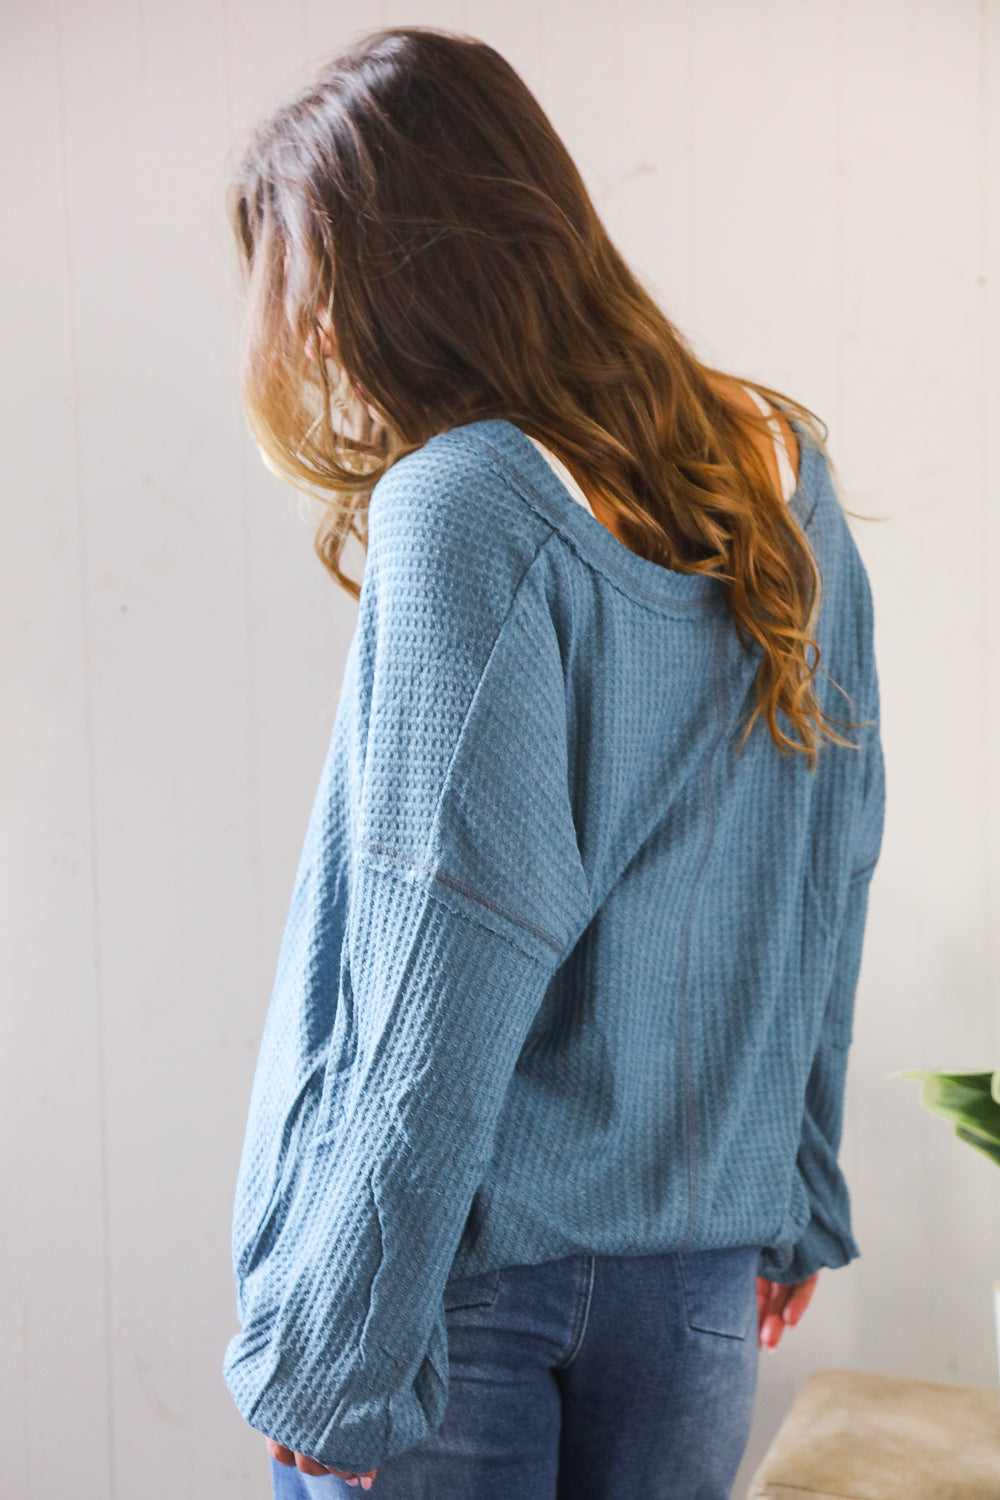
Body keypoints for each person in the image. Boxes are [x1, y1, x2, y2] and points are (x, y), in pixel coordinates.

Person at [221, 25, 885, 1500]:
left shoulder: (464, 501)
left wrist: (342, 1343)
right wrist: (799, 1187)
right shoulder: (784, 471)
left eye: (318, 289)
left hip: (453, 1293)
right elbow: (830, 864)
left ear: (416, 267)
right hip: (697, 1276)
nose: (313, 340)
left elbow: (439, 952)